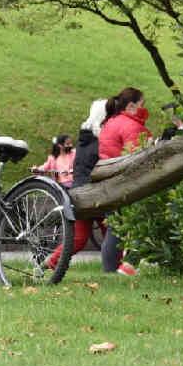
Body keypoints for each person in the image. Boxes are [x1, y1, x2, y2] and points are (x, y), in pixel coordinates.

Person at [44, 100, 107, 270]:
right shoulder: (100, 141)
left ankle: (52, 262)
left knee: (78, 237)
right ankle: (118, 267)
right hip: (96, 194)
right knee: (112, 232)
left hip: (79, 192)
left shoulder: (84, 140)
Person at [98, 87, 153, 276]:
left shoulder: (110, 122)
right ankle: (128, 266)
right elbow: (137, 158)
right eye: (142, 104)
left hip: (109, 181)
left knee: (115, 228)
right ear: (131, 106)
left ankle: (110, 272)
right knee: (147, 220)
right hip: (127, 183)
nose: (144, 108)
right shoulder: (132, 126)